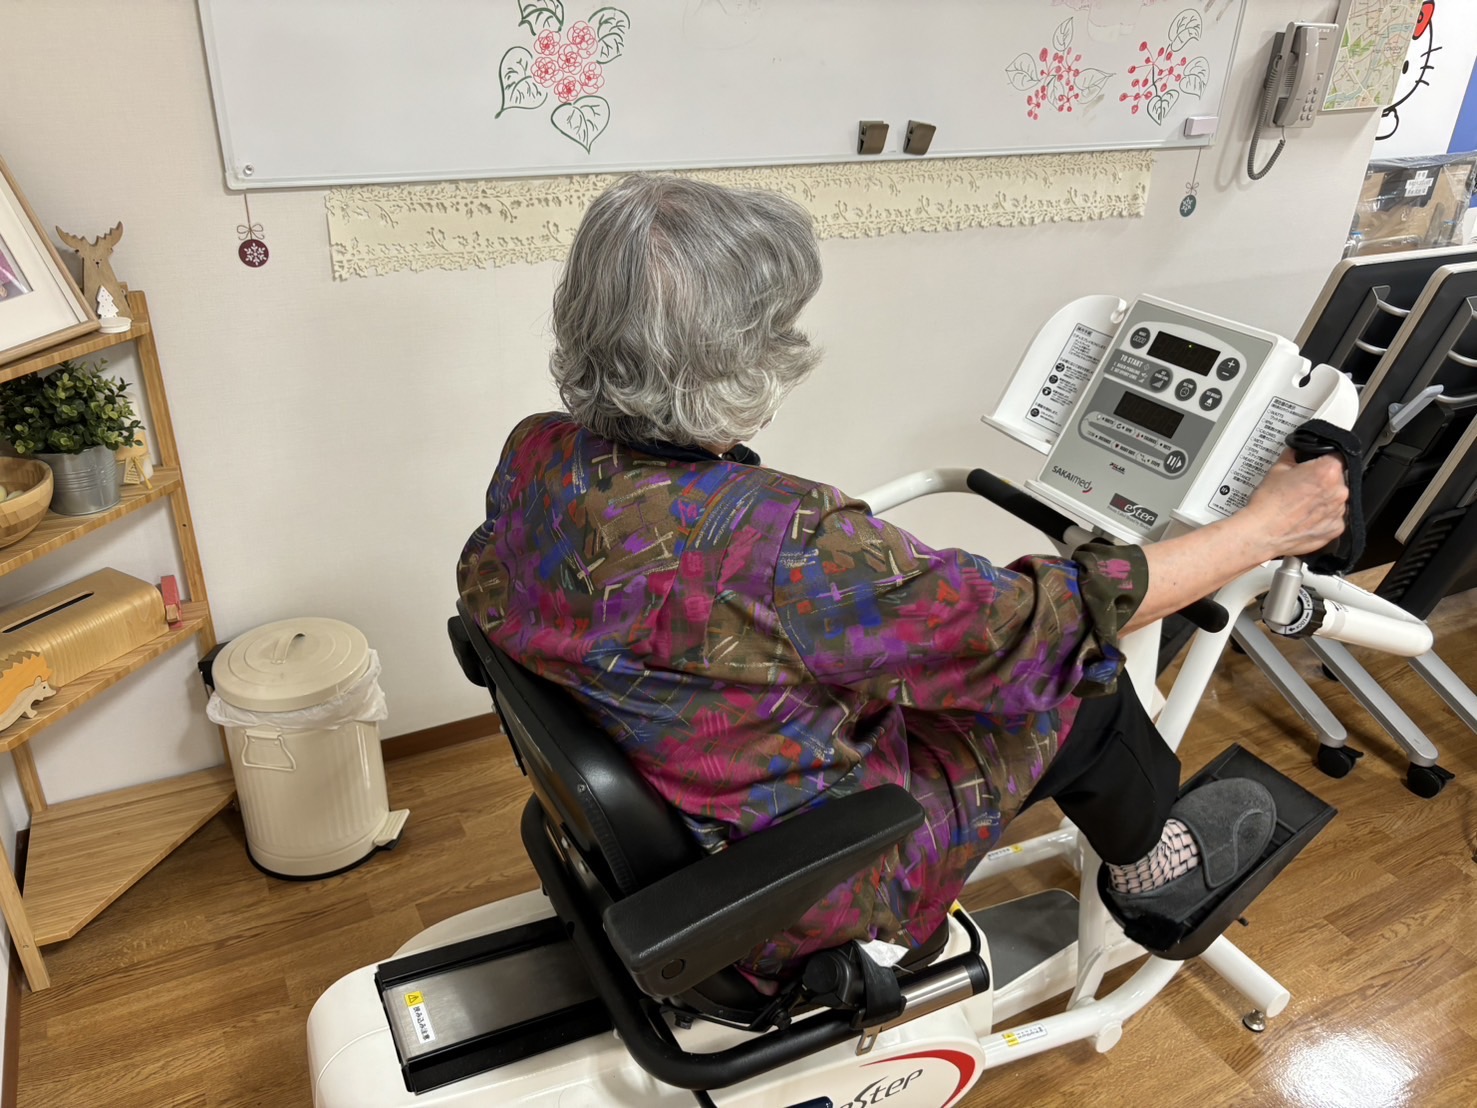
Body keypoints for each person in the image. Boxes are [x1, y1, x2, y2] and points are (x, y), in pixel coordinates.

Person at [457, 174, 1348, 987]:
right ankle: (1151, 871)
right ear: (743, 355)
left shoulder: (539, 451)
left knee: (1013, 658)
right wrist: (1264, 530)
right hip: (805, 876)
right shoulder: (787, 543)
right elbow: (1047, 627)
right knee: (1088, 689)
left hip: (683, 768)